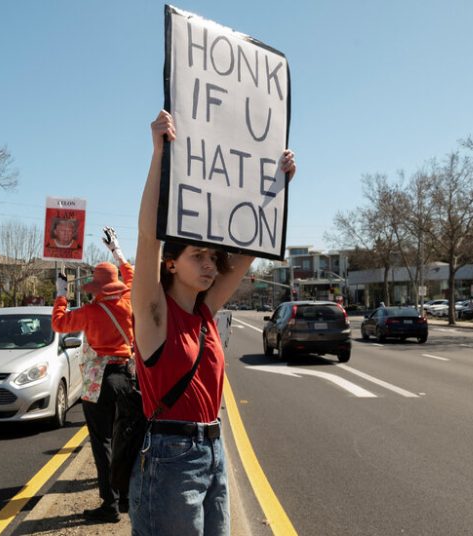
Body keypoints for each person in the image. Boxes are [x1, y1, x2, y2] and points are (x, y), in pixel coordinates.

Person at [130, 110, 296, 535]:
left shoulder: (204, 313)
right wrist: (158, 155)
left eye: (211, 257)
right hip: (171, 457)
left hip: (212, 449)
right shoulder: (154, 314)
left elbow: (245, 255)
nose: (210, 265)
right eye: (197, 257)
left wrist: (275, 190)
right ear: (171, 264)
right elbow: (148, 238)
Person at [51, 226, 135, 523]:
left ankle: (109, 505)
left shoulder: (89, 312)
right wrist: (116, 250)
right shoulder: (129, 303)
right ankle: (126, 497)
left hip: (99, 383)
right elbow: (131, 275)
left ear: (97, 290)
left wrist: (61, 294)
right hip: (127, 378)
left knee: (103, 443)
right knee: (126, 439)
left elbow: (60, 324)